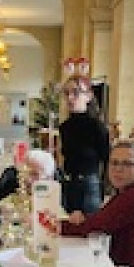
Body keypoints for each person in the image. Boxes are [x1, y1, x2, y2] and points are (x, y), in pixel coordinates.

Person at [61, 140, 134, 267]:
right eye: (114, 163)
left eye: (127, 164)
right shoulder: (129, 192)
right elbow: (102, 219)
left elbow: (94, 226)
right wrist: (82, 218)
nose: (118, 169)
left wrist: (51, 226)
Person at [58, 73, 110, 214]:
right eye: (66, 93)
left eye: (75, 92)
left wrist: (106, 192)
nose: (69, 98)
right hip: (69, 184)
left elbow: (107, 159)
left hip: (89, 185)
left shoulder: (97, 126)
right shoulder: (64, 127)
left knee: (89, 229)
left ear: (88, 96)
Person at [0, 149, 57, 226]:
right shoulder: (10, 198)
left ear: (48, 178)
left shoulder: (54, 200)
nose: (28, 179)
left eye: (34, 174)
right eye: (25, 172)